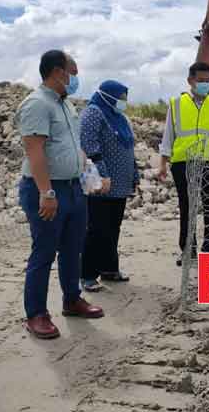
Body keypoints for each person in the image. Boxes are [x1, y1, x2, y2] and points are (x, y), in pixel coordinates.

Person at [15, 50, 104, 340]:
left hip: (73, 188)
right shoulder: (37, 104)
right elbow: (35, 150)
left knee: (72, 248)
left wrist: (87, 172)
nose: (76, 77)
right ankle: (36, 314)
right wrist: (46, 192)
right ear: (57, 71)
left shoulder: (65, 105)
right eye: (72, 71)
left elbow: (71, 146)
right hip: (48, 189)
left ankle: (72, 299)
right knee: (44, 252)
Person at [157, 62, 209, 265]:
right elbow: (168, 135)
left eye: (208, 81)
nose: (204, 84)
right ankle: (187, 249)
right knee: (187, 207)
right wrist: (163, 163)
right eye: (200, 81)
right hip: (184, 162)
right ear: (190, 81)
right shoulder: (176, 104)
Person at [79, 80, 139, 291]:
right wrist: (102, 175)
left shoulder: (120, 118)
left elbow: (129, 147)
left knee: (113, 227)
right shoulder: (94, 112)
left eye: (125, 97)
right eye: (121, 97)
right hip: (97, 180)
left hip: (118, 184)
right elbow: (89, 145)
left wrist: (134, 174)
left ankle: (109, 269)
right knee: (96, 228)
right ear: (107, 95)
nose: (124, 102)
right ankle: (87, 275)